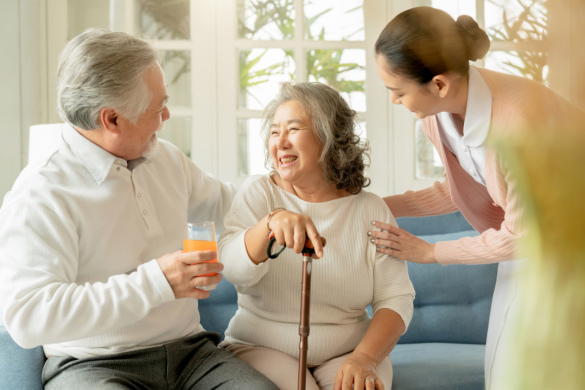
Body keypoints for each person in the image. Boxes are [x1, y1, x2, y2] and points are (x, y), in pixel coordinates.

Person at [0, 29, 277, 390]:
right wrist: (156, 282)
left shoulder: (165, 158)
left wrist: (339, 197)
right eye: (156, 107)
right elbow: (29, 316)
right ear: (111, 119)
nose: (166, 115)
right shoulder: (41, 192)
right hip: (93, 365)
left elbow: (232, 204)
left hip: (192, 354)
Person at [369, 6, 585, 389]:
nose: (394, 101)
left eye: (398, 91)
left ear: (438, 84)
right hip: (533, 248)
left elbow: (523, 236)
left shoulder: (519, 123)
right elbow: (462, 189)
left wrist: (430, 252)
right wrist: (374, 204)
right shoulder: (439, 115)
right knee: (503, 372)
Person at [217, 82, 415, 390]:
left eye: (293, 129)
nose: (280, 142)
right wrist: (271, 224)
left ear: (329, 137)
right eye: (273, 132)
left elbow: (396, 298)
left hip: (349, 352)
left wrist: (363, 358)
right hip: (260, 347)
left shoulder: (370, 209)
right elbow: (231, 269)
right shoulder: (260, 193)